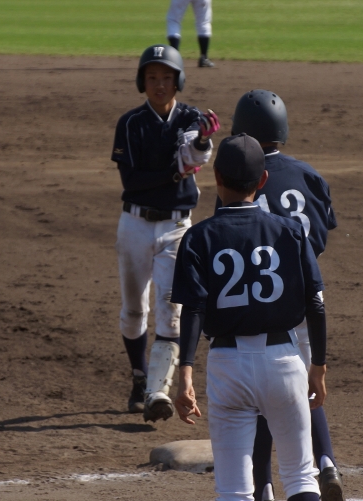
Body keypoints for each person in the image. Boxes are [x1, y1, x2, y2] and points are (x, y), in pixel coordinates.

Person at [172, 133, 328, 501]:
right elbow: (315, 304)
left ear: (217, 178)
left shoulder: (198, 238)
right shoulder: (290, 231)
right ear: (263, 180)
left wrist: (185, 374)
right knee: (301, 476)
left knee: (234, 489)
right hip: (283, 362)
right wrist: (318, 367)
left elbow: (193, 309)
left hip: (228, 366)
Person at [225, 90, 344, 501]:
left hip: (265, 302)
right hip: (308, 297)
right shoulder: (308, 175)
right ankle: (326, 462)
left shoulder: (245, 178)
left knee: (264, 394)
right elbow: (323, 233)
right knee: (306, 386)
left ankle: (263, 485)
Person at [111, 44, 220, 422]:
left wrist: (202, 142)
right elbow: (132, 182)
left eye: (167, 78)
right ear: (142, 82)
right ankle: (139, 376)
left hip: (176, 228)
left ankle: (157, 391)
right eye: (153, 77)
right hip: (135, 225)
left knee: (171, 313)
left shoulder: (190, 118)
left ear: (178, 81)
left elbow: (193, 154)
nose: (160, 84)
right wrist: (173, 174)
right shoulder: (130, 123)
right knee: (133, 310)